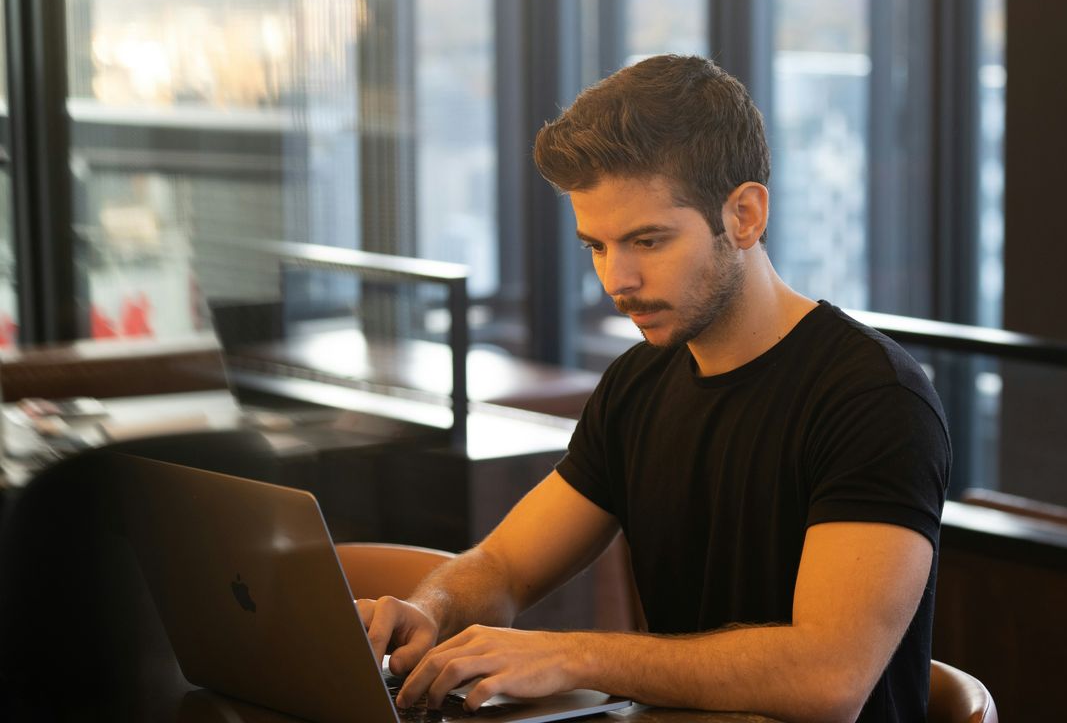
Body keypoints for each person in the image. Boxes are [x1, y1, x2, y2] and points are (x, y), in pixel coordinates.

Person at [358, 54, 950, 723]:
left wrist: (577, 656)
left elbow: (828, 678)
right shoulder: (637, 383)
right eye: (597, 247)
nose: (618, 280)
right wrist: (428, 610)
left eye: (647, 240)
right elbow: (504, 568)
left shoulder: (873, 399)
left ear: (746, 215)